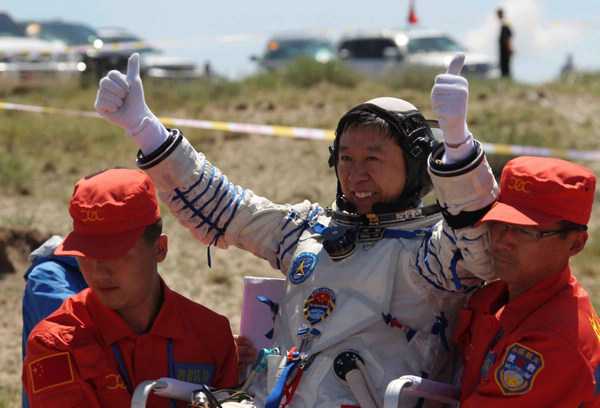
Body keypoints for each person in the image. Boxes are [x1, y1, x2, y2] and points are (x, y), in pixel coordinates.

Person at [93, 51, 498, 407]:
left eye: (373, 158)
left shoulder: (432, 253)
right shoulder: (308, 231)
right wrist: (145, 128)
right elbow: (224, 207)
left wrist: (459, 149)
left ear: (413, 165)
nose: (355, 173)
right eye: (345, 158)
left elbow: (478, 241)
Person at [22, 168, 239, 407]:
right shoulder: (55, 343)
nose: (99, 272)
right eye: (86, 254)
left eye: (117, 255)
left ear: (160, 249)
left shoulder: (212, 337)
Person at [453, 156, 600, 406]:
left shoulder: (555, 340)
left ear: (574, 244)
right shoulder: (491, 296)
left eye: (525, 231)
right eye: (499, 223)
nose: (503, 240)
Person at [497, 8, 513, 78]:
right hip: (504, 49)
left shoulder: (504, 24)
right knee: (504, 65)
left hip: (505, 49)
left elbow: (506, 37)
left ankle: (506, 77)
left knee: (505, 65)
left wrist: (509, 48)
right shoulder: (503, 23)